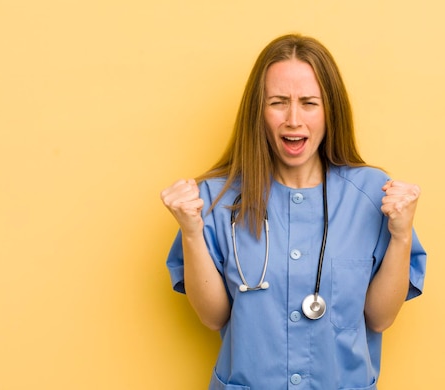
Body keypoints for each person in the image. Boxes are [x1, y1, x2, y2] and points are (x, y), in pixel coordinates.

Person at [160, 33, 427, 390]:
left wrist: (401, 235)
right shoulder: (216, 199)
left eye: (309, 103)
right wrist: (192, 232)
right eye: (278, 102)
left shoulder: (371, 196)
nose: (293, 119)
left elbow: (380, 319)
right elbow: (214, 317)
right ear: (259, 111)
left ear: (330, 110)